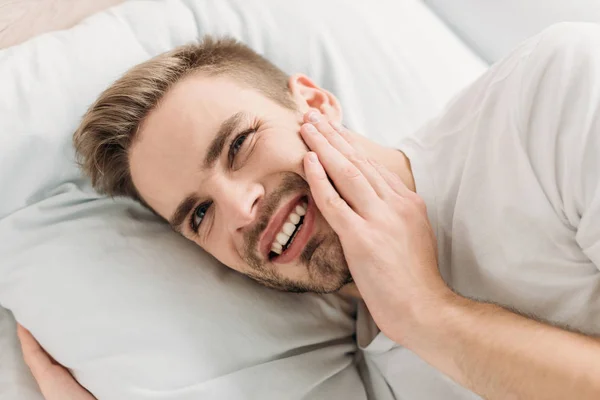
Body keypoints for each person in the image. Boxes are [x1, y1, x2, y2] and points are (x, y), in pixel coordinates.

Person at [17, 22, 600, 399]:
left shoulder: (552, 96)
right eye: (199, 215)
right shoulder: (384, 378)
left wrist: (429, 313)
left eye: (239, 145)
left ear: (315, 103)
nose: (240, 208)